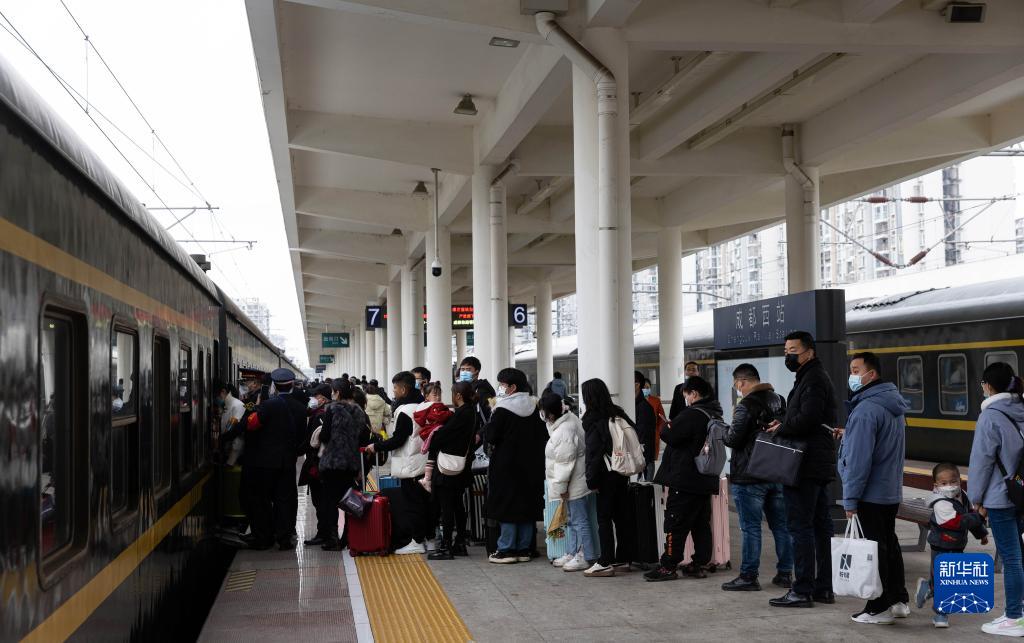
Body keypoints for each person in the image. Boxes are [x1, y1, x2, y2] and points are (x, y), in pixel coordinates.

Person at [839, 352, 911, 624]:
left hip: (869, 493)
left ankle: (878, 607)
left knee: (874, 551)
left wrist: (850, 499)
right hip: (889, 491)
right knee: (889, 545)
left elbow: (858, 461)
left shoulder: (866, 410)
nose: (852, 376)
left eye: (856, 370)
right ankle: (899, 600)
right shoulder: (892, 404)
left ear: (872, 374)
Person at [767, 331, 838, 608]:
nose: (788, 355)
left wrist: (782, 427)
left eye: (793, 351)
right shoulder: (810, 376)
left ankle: (803, 589)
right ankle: (823, 588)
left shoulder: (814, 379)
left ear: (809, 351)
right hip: (815, 462)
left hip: (806, 464)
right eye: (786, 351)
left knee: (801, 527)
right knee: (819, 525)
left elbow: (808, 418)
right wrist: (785, 423)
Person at [720, 364, 793, 592]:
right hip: (776, 471)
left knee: (751, 527)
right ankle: (785, 574)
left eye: (736, 384)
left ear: (741, 382)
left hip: (750, 474)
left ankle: (749, 576)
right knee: (781, 526)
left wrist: (723, 430)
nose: (737, 388)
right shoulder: (779, 400)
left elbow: (733, 439)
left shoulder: (746, 405)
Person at [645, 376, 722, 582]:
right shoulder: (714, 413)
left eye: (686, 395)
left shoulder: (692, 414)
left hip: (685, 478)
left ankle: (668, 566)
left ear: (694, 394)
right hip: (705, 479)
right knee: (700, 524)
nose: (686, 399)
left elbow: (668, 435)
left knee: (675, 523)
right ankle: (699, 563)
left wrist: (667, 426)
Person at [967, 362, 1024, 637]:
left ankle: (1014, 617)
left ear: (988, 386)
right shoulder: (1021, 409)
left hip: (1000, 497)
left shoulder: (990, 416)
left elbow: (981, 462)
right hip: (1022, 494)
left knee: (1011, 558)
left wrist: (976, 499)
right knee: (1020, 554)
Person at [914, 462, 989, 629]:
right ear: (936, 485)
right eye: (944, 483)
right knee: (945, 581)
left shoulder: (963, 495)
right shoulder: (940, 502)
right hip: (941, 546)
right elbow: (956, 522)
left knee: (950, 580)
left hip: (958, 546)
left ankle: (927, 587)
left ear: (960, 480)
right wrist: (980, 517)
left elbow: (969, 515)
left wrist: (981, 533)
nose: (949, 486)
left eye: (953, 481)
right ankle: (941, 614)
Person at [485, 368, 548, 564]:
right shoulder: (535, 406)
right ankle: (524, 548)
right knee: (527, 504)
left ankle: (506, 549)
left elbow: (491, 436)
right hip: (532, 464)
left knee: (507, 504)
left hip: (506, 465)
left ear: (512, 387)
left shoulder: (502, 409)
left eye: (502, 384)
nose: (500, 388)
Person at [366, 371, 431, 554]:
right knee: (424, 503)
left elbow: (399, 439)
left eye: (395, 387)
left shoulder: (405, 411)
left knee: (413, 504)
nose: (393, 391)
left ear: (403, 389)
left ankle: (416, 541)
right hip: (424, 462)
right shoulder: (423, 405)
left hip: (410, 464)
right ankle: (428, 539)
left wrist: (376, 446)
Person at [241, 368, 304, 551]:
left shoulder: (268, 405)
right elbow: (302, 437)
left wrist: (256, 408)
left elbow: (251, 426)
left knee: (262, 500)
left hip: (266, 463)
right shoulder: (301, 408)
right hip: (287, 462)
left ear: (274, 386)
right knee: (285, 500)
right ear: (292, 385)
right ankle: (284, 538)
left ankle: (265, 536)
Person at [580, 378, 637, 577]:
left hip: (604, 475)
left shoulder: (593, 419)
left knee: (604, 519)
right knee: (621, 516)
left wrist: (591, 480)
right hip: (621, 472)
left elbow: (593, 453)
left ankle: (605, 561)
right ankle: (623, 558)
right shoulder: (618, 413)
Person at [541, 391, 594, 573]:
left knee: (579, 520)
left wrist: (562, 488)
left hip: (574, 481)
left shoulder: (565, 430)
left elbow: (565, 462)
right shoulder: (565, 421)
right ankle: (572, 552)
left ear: (551, 414)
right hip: (574, 479)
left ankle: (585, 555)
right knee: (572, 520)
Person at [425, 381, 479, 560]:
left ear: (458, 396)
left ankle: (446, 546)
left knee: (447, 507)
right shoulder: (471, 413)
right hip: (461, 467)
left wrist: (433, 433)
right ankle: (460, 543)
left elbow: (442, 436)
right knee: (457, 505)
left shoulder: (462, 414)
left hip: (448, 469)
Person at [317, 379, 367, 550]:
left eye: (332, 391)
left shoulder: (332, 409)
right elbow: (362, 438)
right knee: (348, 501)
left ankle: (333, 539)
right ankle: (347, 537)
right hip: (351, 463)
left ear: (337, 392)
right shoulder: (358, 411)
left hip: (332, 462)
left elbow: (325, 436)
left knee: (330, 501)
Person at [301, 384, 333, 546]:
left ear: (324, 399)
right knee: (324, 500)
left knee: (320, 501)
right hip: (326, 463)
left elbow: (312, 442)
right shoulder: (326, 413)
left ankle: (324, 534)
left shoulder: (321, 416)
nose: (313, 399)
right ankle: (326, 533)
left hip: (319, 464)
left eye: (316, 396)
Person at [416, 382, 454, 493]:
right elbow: (438, 417)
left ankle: (427, 479)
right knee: (433, 457)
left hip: (428, 432)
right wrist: (450, 414)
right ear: (426, 396)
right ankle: (427, 479)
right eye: (435, 395)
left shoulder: (422, 406)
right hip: (433, 432)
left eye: (439, 394)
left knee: (431, 457)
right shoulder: (433, 407)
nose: (438, 397)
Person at [633, 371, 657, 481]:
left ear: (637, 385)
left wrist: (642, 459)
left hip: (643, 458)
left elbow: (643, 435)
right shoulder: (634, 404)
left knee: (643, 487)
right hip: (637, 456)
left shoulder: (644, 407)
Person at [216, 383, 246, 465]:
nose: (217, 399)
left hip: (235, 446)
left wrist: (224, 437)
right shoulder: (226, 405)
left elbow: (234, 426)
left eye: (217, 396)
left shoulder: (238, 405)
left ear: (223, 391)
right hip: (229, 445)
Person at [643, 378, 668, 461]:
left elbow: (662, 417)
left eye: (647, 387)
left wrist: (659, 430)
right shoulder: (634, 401)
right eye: (643, 387)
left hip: (653, 433)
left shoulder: (656, 400)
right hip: (640, 433)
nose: (645, 389)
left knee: (651, 459)